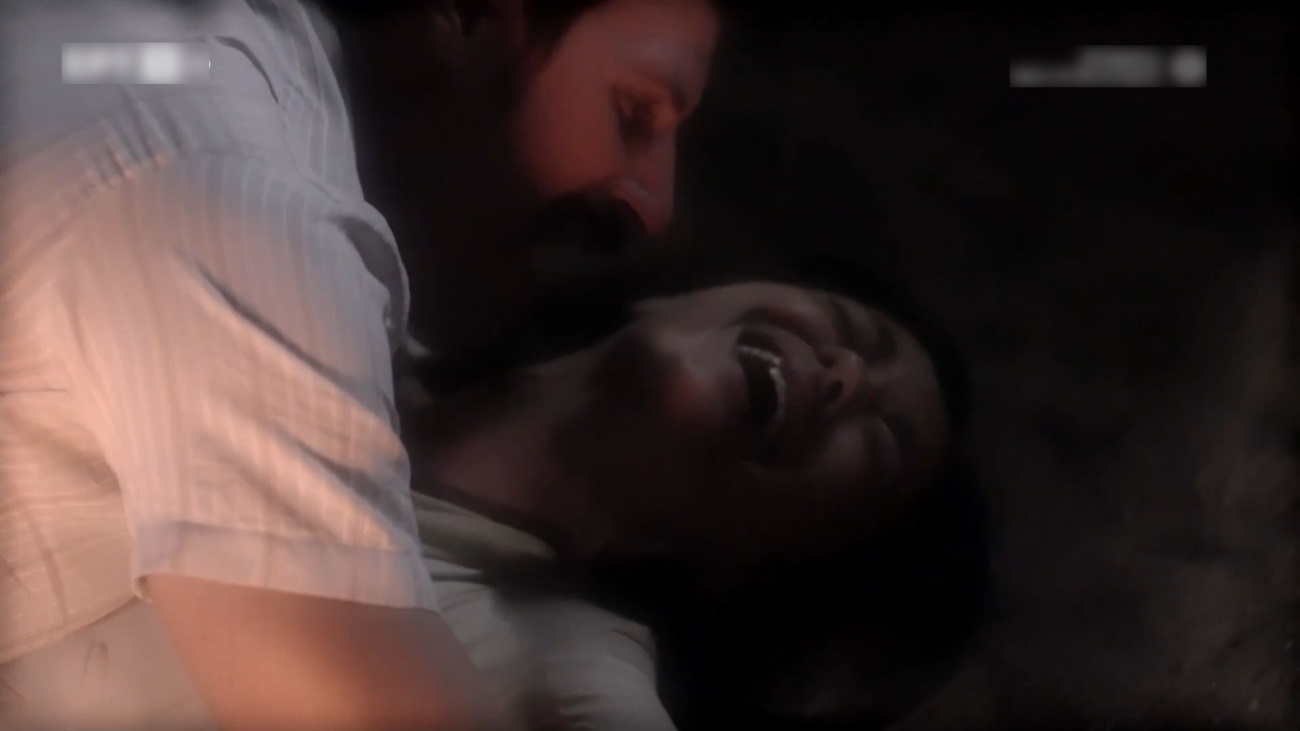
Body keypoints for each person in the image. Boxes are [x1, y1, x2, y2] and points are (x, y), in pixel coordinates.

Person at [0, 1, 719, 729]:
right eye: (635, 111)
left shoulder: (183, 53)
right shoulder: (242, 219)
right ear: (467, 19)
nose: (655, 208)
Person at [391, 254, 985, 730]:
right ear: (676, 295)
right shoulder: (363, 292)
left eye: (878, 446)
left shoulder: (560, 671)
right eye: (848, 327)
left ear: (754, 566)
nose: (846, 371)